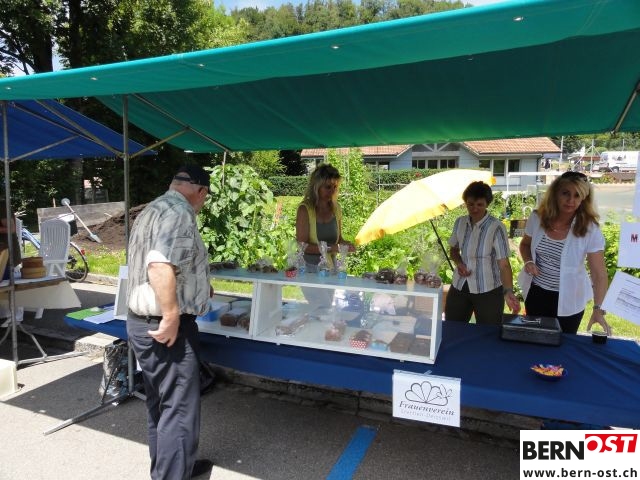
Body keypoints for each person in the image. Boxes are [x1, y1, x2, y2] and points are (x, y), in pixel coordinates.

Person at [126, 165, 214, 480]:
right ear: (200, 191)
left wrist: (200, 286)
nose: (203, 204)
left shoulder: (152, 209)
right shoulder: (180, 213)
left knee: (161, 405)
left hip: (141, 321)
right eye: (206, 197)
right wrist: (172, 315)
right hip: (164, 325)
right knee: (179, 409)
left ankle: (173, 468)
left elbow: (160, 262)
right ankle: (174, 474)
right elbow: (160, 265)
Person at [518, 171, 610, 335]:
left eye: (577, 195)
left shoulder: (590, 228)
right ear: (555, 193)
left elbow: (599, 274)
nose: (570, 200)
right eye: (565, 193)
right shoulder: (537, 218)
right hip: (537, 294)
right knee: (535, 340)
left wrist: (598, 308)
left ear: (584, 198)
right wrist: (528, 261)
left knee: (563, 344)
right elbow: (525, 245)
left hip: (570, 300)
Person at [445, 181, 521, 325]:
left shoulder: (496, 227)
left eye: (479, 204)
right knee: (452, 327)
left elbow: (504, 265)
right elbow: (453, 250)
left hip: (488, 290)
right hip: (460, 286)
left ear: (487, 204)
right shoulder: (460, 223)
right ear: (466, 203)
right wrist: (459, 263)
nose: (474, 208)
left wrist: (508, 291)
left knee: (488, 332)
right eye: (470, 204)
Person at [295, 163, 355, 306]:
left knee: (325, 310)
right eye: (328, 187)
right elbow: (301, 246)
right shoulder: (305, 209)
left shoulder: (336, 208)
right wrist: (332, 248)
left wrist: (346, 245)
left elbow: (339, 239)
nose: (332, 191)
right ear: (316, 187)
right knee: (323, 308)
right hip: (310, 268)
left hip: (330, 267)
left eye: (335, 187)